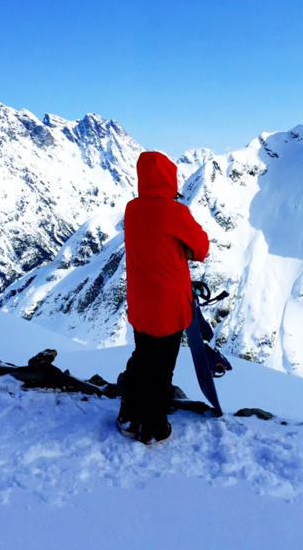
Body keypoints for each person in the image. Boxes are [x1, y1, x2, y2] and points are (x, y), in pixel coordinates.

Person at [117, 151, 210, 444]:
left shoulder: (132, 209)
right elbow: (201, 248)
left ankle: (129, 416)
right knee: (162, 366)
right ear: (169, 179)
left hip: (141, 304)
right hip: (169, 307)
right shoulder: (175, 212)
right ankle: (154, 426)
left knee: (142, 357)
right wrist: (183, 249)